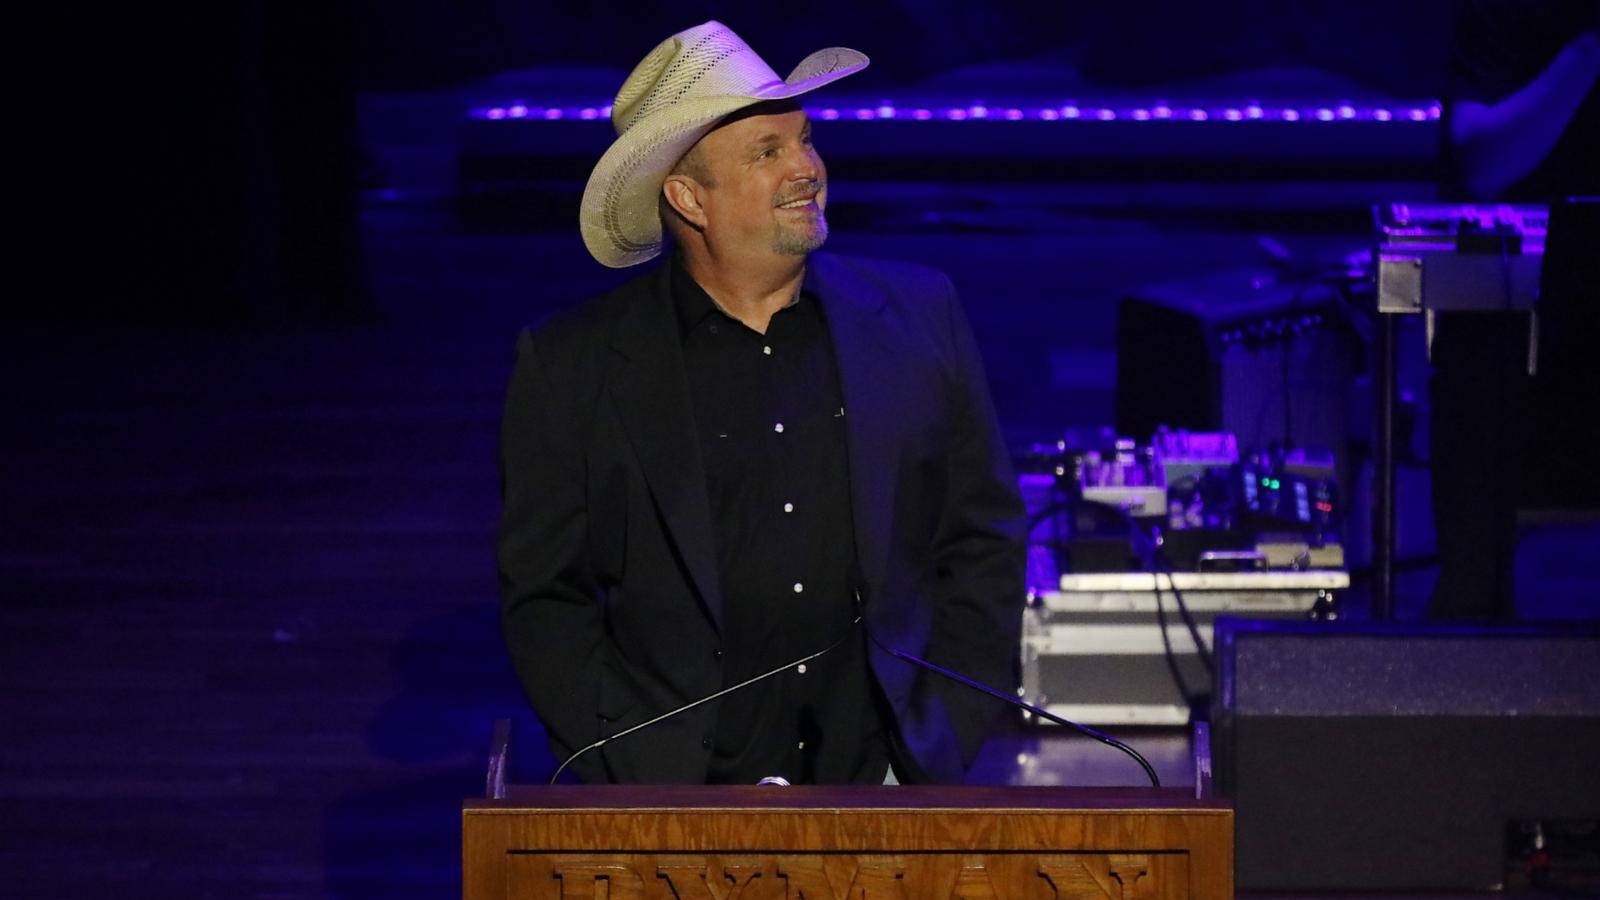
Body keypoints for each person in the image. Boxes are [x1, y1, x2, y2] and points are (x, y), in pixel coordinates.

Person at [497, 21, 1026, 785]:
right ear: (688, 197)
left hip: (882, 780)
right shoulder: (573, 365)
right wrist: (625, 762)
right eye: (767, 153)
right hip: (677, 797)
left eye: (806, 141)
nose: (807, 168)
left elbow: (983, 540)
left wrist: (944, 728)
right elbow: (545, 594)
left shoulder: (919, 316)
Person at [1428, 1, 1598, 620]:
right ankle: (1472, 629)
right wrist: (1587, 52)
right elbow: (1483, 162)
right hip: (1536, 310)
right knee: (1480, 339)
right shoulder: (1510, 16)